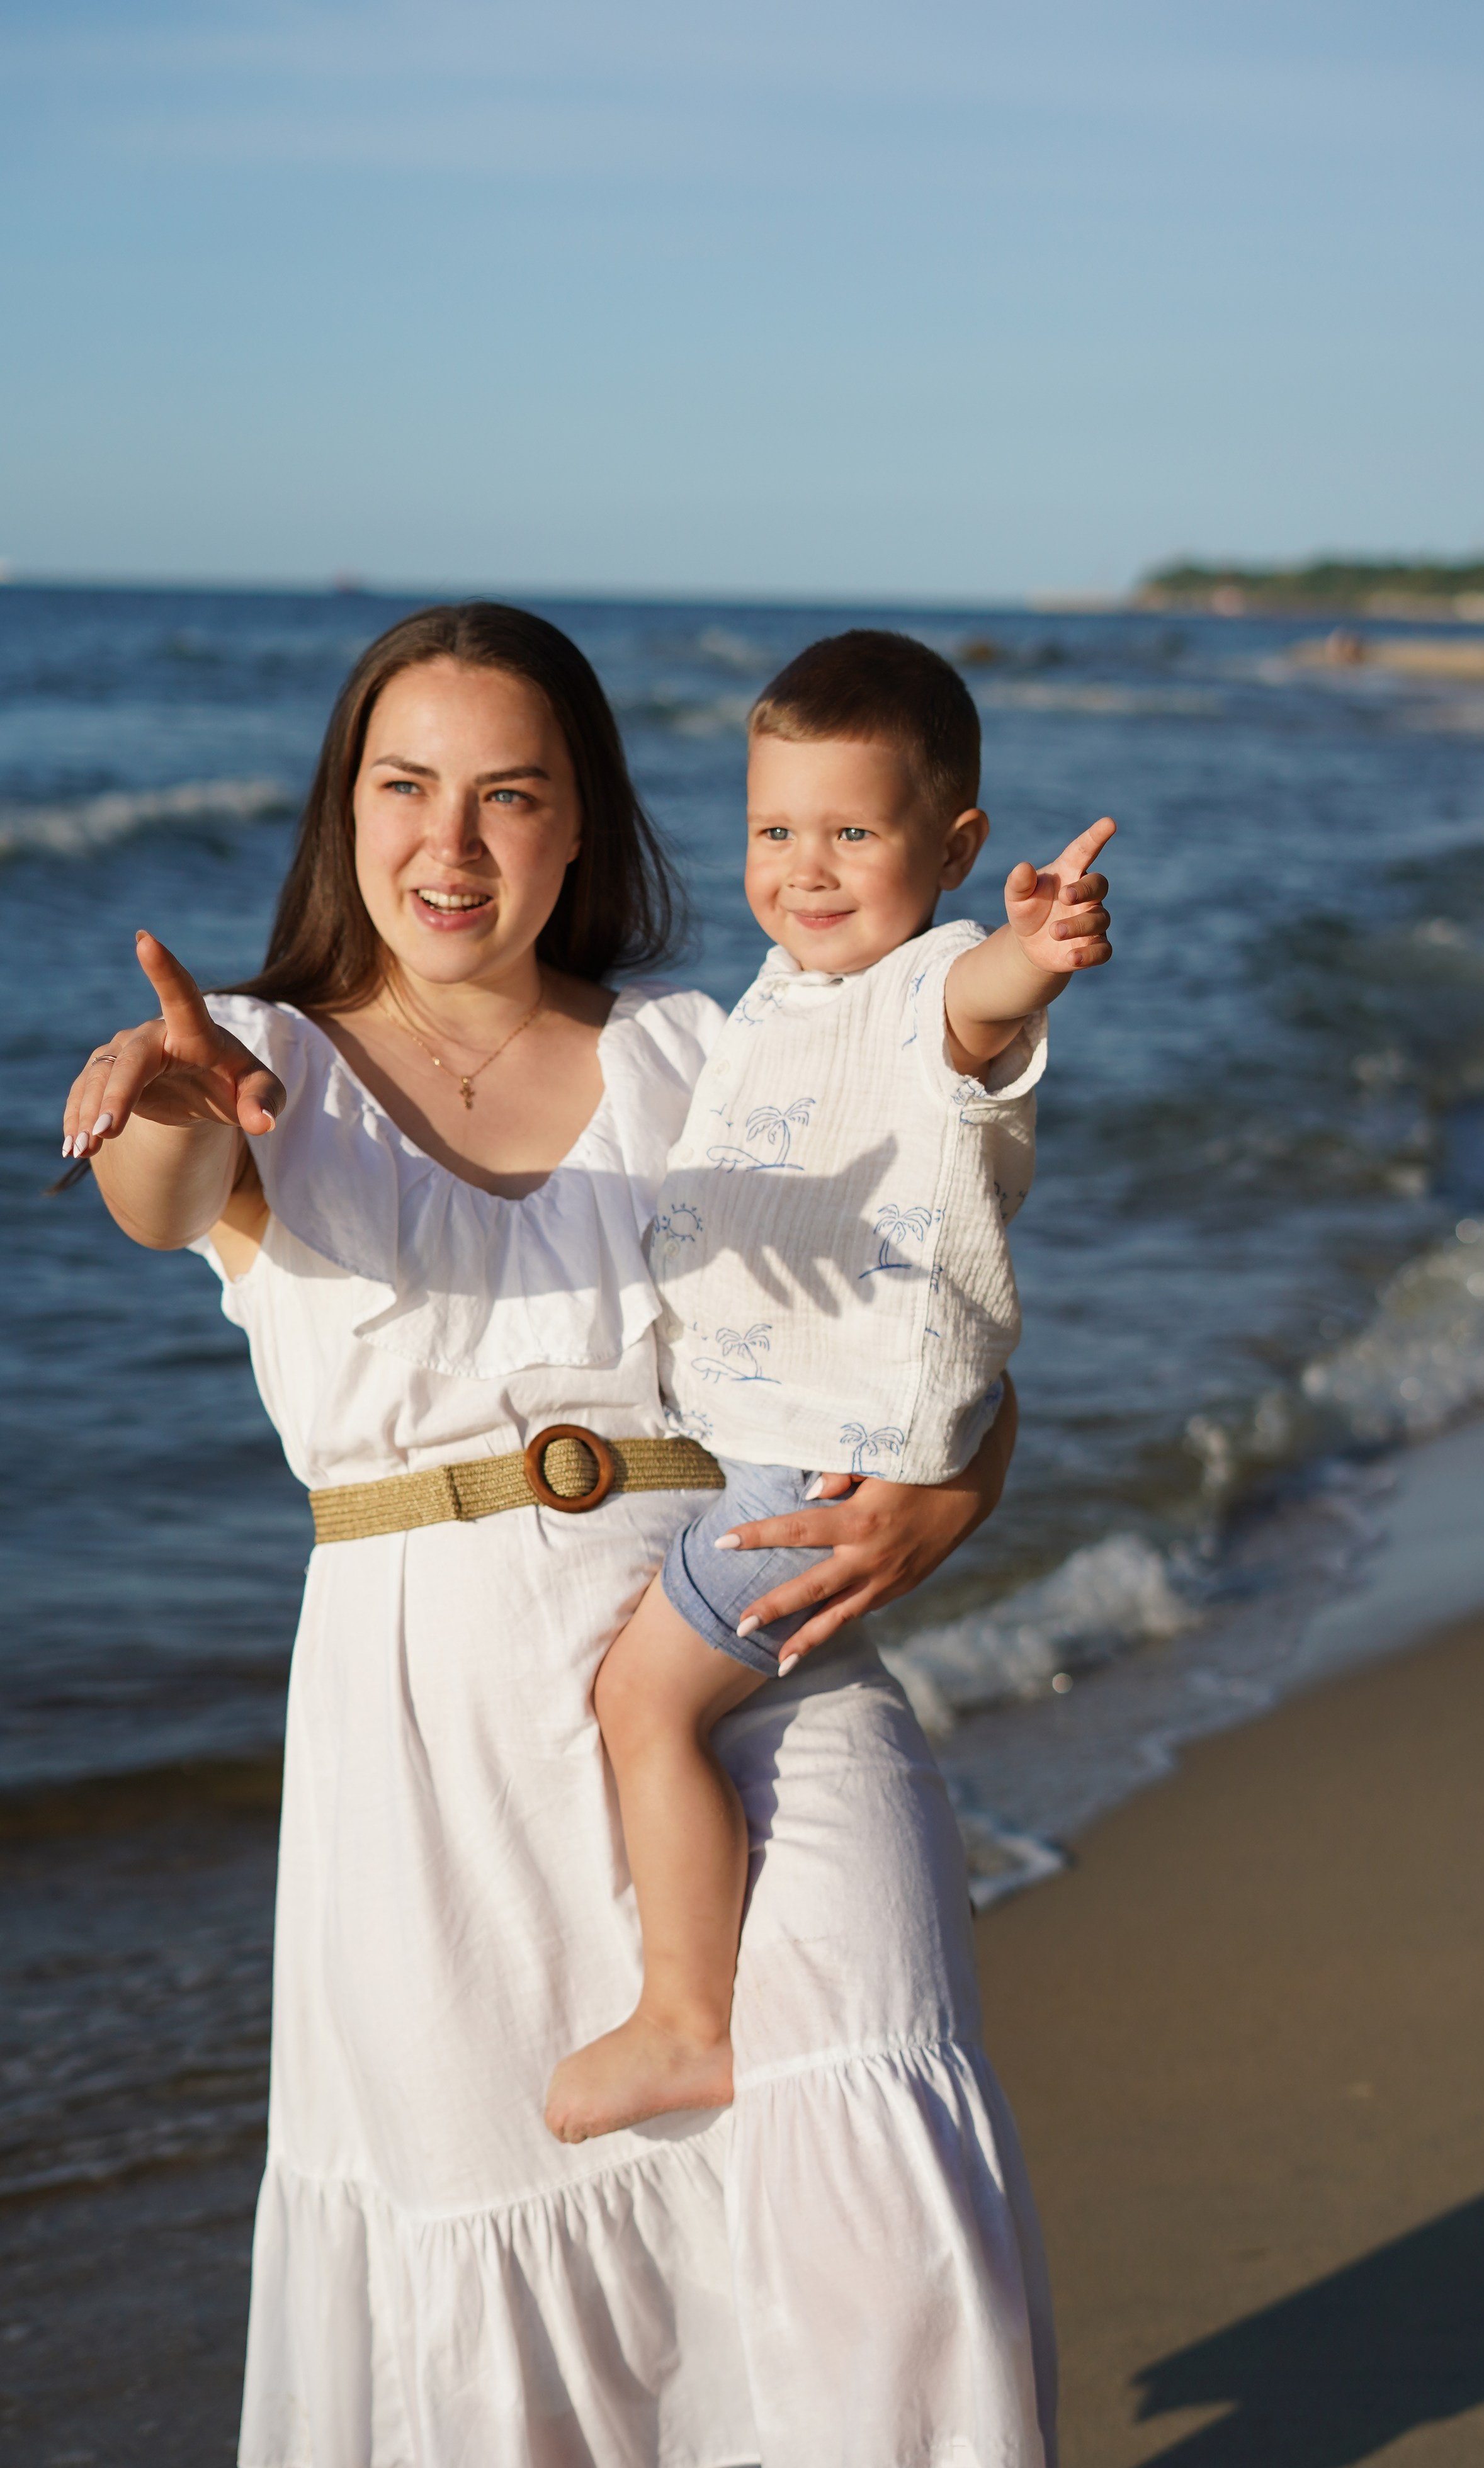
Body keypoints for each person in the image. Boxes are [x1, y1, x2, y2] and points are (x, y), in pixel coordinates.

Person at [60, 603, 1062, 2468]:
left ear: (581, 818)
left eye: (509, 795)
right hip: (437, 1734)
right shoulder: (256, 1058)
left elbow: (922, 1293)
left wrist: (961, 1481)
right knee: (508, 2287)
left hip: (758, 1647)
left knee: (879, 2172)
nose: (450, 844)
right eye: (406, 787)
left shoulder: (707, 1047)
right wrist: (168, 1100)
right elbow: (163, 1192)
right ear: (345, 809)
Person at [545, 631, 1113, 2147]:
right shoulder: (783, 991)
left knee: (641, 1700)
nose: (805, 868)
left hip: (817, 1462)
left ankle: (683, 2018)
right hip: (778, 1444)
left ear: (954, 846)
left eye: (852, 831)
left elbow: (981, 1002)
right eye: (773, 830)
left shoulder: (930, 986)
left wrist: (1035, 948)